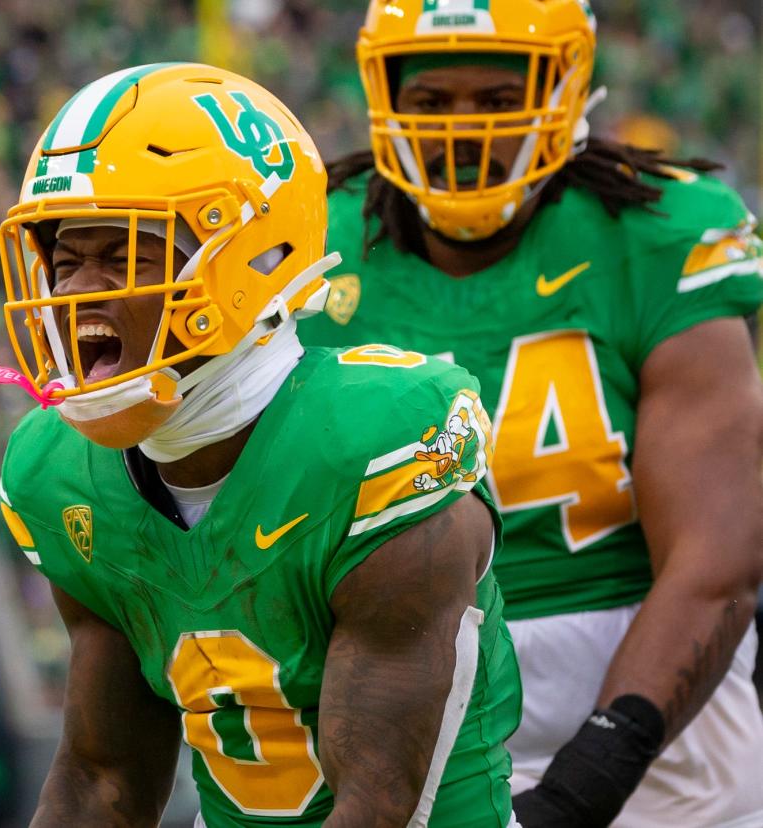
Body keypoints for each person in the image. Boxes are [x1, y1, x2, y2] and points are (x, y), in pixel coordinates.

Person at [0, 62, 522, 827]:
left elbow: (379, 803)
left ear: (253, 258)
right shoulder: (61, 475)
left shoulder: (376, 442)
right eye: (65, 261)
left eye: (124, 253)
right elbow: (103, 780)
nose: (73, 294)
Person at [298, 2, 763, 826]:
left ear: (567, 86)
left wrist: (594, 771)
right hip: (398, 677)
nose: (465, 130)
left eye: (495, 98)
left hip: (647, 695)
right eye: (435, 99)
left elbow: (716, 560)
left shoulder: (658, 232)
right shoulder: (317, 247)